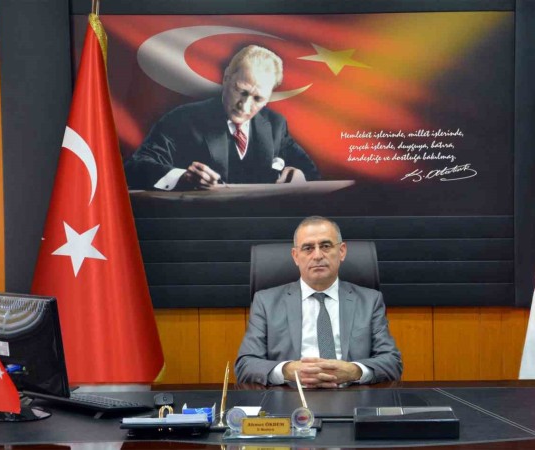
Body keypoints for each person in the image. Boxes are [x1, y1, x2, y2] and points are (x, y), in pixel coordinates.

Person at [235, 216, 403, 387]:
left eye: (325, 246)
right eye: (308, 248)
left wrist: (353, 371)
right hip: (291, 395)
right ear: (295, 256)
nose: (317, 255)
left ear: (342, 251)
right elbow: (245, 364)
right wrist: (288, 371)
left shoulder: (369, 301)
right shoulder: (266, 302)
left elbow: (392, 361)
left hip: (352, 394)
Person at [124, 45, 320, 190]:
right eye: (241, 91)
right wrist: (182, 177)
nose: (244, 106)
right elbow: (134, 168)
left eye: (258, 99)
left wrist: (300, 176)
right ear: (226, 78)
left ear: (268, 97)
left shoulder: (276, 125)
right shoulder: (182, 120)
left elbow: (312, 173)